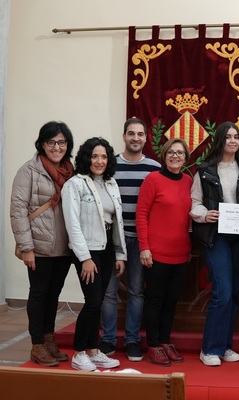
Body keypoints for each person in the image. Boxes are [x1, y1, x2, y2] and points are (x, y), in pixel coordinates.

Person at [190, 121, 239, 367]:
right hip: (215, 236)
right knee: (221, 291)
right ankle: (209, 348)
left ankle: (226, 345)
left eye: (237, 137)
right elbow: (195, 203)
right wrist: (204, 215)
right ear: (220, 140)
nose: (233, 140)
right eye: (228, 137)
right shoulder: (205, 169)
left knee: (234, 292)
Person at [10, 121, 75, 367]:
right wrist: (26, 247)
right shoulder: (29, 171)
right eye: (51, 142)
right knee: (38, 295)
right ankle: (37, 345)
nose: (57, 147)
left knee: (53, 295)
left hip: (63, 247)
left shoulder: (71, 170)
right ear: (42, 144)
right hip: (38, 246)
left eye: (61, 142)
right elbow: (17, 211)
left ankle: (49, 340)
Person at [62, 137, 126, 371]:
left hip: (108, 248)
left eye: (104, 156)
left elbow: (117, 221)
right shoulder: (75, 184)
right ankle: (79, 353)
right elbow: (73, 224)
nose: (99, 161)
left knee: (98, 302)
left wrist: (120, 254)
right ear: (86, 157)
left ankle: (93, 351)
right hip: (87, 250)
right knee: (92, 302)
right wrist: (85, 258)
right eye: (94, 156)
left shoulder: (111, 183)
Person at [99, 118, 160, 362]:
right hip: (113, 240)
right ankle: (108, 339)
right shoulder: (109, 165)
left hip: (140, 240)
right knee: (109, 292)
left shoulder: (154, 168)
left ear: (146, 138)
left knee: (136, 292)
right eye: (131, 134)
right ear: (124, 136)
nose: (136, 138)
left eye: (140, 134)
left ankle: (133, 340)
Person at [137, 138, 193, 366]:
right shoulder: (153, 179)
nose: (175, 156)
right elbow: (141, 214)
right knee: (155, 300)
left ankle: (165, 342)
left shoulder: (189, 181)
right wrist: (144, 248)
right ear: (164, 155)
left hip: (181, 252)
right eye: (171, 152)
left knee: (171, 301)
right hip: (156, 253)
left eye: (180, 153)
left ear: (186, 158)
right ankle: (153, 345)